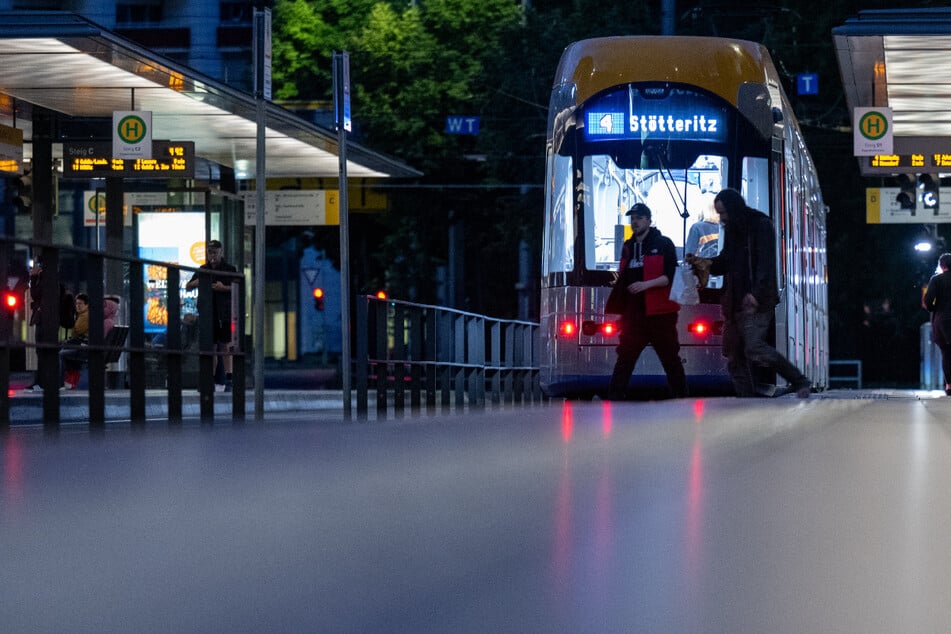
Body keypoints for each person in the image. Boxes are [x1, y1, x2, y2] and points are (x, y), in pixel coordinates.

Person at [687, 188, 811, 398]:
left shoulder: (760, 225)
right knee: (734, 352)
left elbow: (765, 263)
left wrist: (756, 293)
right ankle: (747, 396)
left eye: (724, 213)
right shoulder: (734, 231)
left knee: (753, 347)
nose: (722, 218)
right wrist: (703, 263)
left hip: (756, 300)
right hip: (735, 300)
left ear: (734, 209)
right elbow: (726, 261)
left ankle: (799, 380)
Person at [604, 202, 687, 399]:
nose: (635, 222)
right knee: (625, 358)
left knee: (670, 359)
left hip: (660, 314)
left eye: (640, 218)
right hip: (634, 315)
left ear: (649, 221)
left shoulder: (664, 244)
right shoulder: (628, 246)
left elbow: (670, 276)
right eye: (633, 219)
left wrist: (645, 285)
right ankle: (614, 398)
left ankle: (682, 397)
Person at [186, 239, 237, 392]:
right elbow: (189, 286)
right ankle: (212, 379)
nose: (212, 255)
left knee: (225, 346)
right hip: (208, 313)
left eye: (215, 252)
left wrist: (223, 288)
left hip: (224, 312)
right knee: (211, 348)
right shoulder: (203, 269)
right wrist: (196, 283)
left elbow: (236, 288)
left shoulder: (229, 269)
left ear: (221, 252)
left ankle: (229, 379)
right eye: (210, 252)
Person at [59, 295, 119, 389]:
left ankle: (63, 383)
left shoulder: (105, 323)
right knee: (67, 349)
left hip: (91, 351)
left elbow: (96, 339)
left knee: (62, 353)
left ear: (110, 309)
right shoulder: (109, 322)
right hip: (98, 351)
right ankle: (70, 383)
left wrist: (84, 342)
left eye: (104, 307)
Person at [923, 253, 951, 395]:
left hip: (943, 321)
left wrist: (935, 309)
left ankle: (949, 385)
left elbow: (928, 301)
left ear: (942, 265)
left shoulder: (937, 280)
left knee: (946, 353)